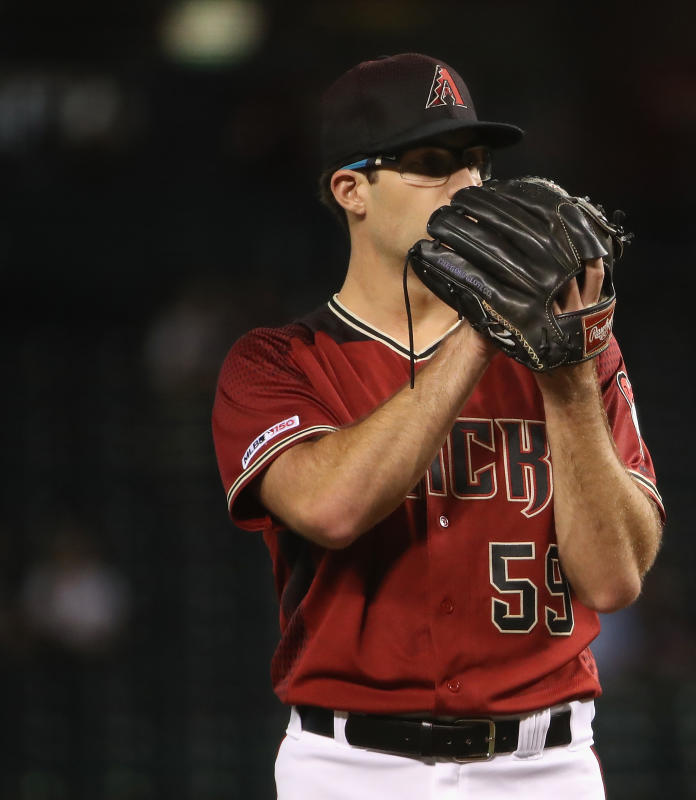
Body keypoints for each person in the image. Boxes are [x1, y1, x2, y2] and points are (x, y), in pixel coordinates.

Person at [210, 52, 664, 799]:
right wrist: (482, 330)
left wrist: (572, 381)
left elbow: (613, 582)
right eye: (430, 162)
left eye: (476, 162)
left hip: (546, 763)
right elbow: (333, 507)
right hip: (353, 767)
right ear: (351, 188)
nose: (467, 185)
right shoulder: (277, 364)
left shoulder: (575, 348)